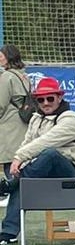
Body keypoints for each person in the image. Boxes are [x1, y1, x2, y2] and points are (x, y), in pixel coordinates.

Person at [0, 77, 75, 245]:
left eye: (50, 98)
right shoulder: (36, 119)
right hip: (43, 172)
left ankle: (10, 185)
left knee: (50, 153)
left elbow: (46, 142)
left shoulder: (70, 118)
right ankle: (8, 233)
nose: (45, 102)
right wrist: (19, 161)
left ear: (59, 97)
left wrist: (19, 157)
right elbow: (27, 143)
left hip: (71, 175)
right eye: (41, 99)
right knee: (24, 181)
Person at [0, 43, 29, 171]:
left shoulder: (6, 77)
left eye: (1, 56)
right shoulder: (24, 76)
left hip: (9, 129)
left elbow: (0, 104)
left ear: (9, 57)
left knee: (10, 169)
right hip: (22, 125)